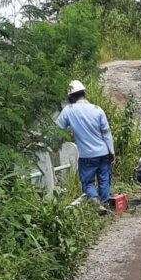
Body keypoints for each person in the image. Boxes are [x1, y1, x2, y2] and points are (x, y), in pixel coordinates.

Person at [56, 80, 115, 209]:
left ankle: (94, 199)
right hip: (103, 152)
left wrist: (50, 145)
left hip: (86, 155)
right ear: (84, 93)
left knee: (88, 182)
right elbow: (106, 133)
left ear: (71, 97)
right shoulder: (97, 109)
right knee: (104, 179)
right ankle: (104, 203)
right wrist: (111, 152)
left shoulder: (68, 110)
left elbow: (57, 130)